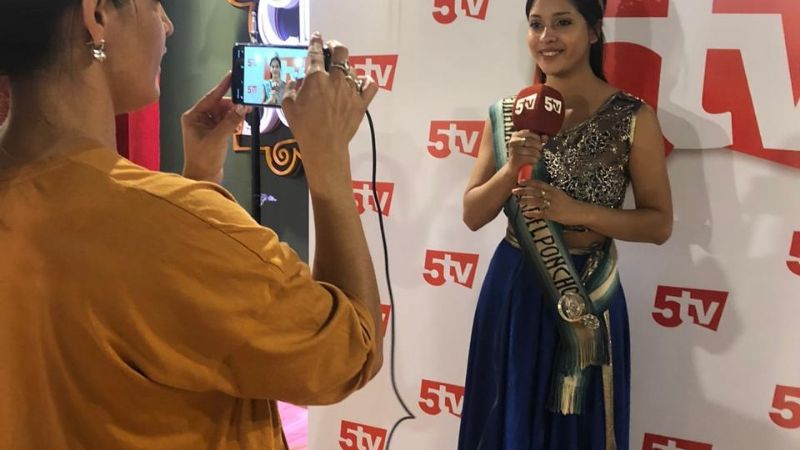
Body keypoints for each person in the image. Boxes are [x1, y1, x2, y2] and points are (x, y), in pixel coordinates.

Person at [0, 1, 381, 449]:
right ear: (97, 16)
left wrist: (198, 176)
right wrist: (329, 158)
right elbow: (350, 349)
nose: (168, 24)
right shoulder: (170, 223)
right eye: (154, 5)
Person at [458, 0, 672, 449]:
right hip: (515, 286)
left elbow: (658, 224)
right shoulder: (507, 114)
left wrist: (578, 212)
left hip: (588, 290)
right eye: (536, 24)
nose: (546, 36)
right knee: (508, 415)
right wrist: (509, 166)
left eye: (563, 23)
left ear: (594, 32)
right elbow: (473, 214)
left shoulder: (633, 118)